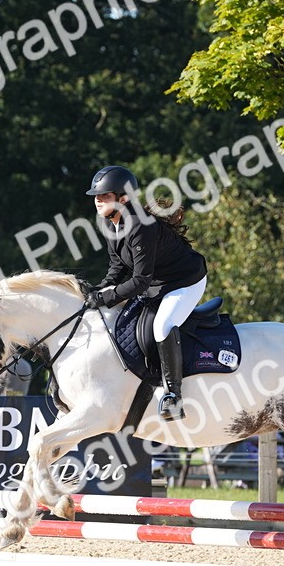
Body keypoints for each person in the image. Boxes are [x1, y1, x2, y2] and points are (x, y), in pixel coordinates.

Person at [84, 165, 207, 421]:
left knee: (163, 325)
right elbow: (117, 266)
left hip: (184, 281)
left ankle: (173, 396)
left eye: (105, 195)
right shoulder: (110, 223)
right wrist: (98, 289)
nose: (98, 200)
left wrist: (105, 298)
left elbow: (139, 281)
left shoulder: (140, 225)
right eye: (97, 195)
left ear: (123, 198)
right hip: (156, 283)